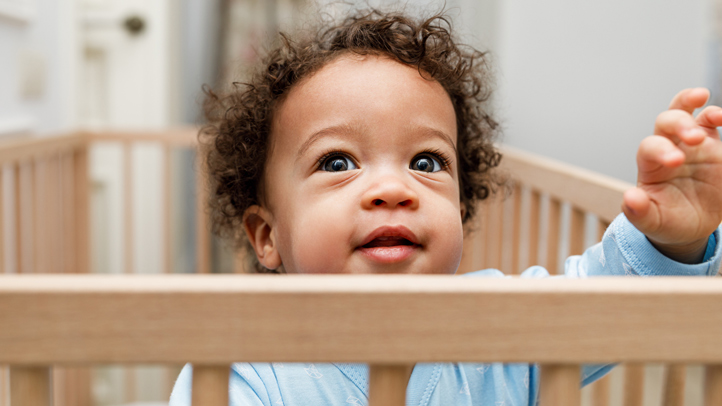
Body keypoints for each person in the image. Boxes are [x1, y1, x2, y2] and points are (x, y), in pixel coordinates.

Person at [170, 8, 722, 406]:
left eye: (427, 162)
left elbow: (610, 298)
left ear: (459, 208)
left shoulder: (498, 327)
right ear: (267, 236)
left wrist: (671, 238)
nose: (393, 189)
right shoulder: (241, 367)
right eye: (337, 162)